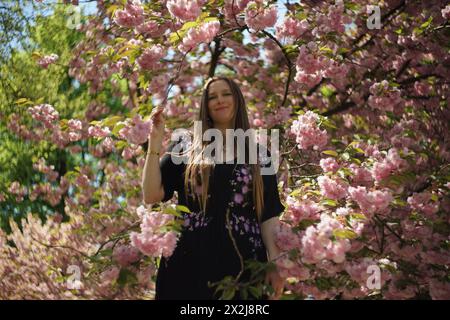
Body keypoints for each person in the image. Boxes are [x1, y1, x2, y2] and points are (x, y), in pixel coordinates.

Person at [142, 76, 285, 300]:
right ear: (205, 106)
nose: (220, 100)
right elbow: (151, 194)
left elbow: (269, 217)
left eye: (226, 94)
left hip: (244, 270)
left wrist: (275, 265)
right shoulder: (185, 148)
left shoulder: (260, 155)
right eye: (212, 97)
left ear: (237, 99)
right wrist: (154, 143)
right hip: (188, 267)